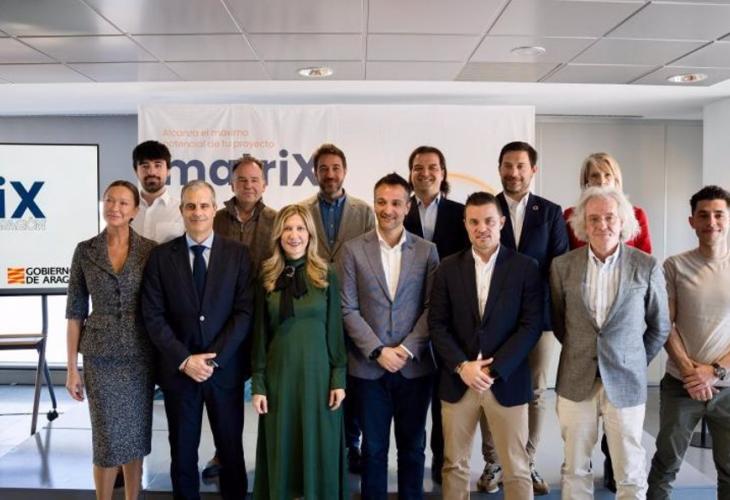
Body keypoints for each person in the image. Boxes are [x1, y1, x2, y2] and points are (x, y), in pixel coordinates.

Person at [550, 186, 670, 500]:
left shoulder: (646, 265)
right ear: (583, 224)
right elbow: (561, 323)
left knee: (629, 471)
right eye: (594, 219)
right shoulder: (562, 267)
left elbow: (660, 326)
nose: (602, 224)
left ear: (623, 221)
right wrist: (584, 350)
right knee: (575, 469)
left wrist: (633, 360)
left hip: (626, 381)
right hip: (576, 379)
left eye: (609, 217)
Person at [142, 180, 253, 500]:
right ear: (181, 210)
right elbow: (153, 315)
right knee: (182, 454)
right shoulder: (161, 257)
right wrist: (185, 359)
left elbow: (244, 312)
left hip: (224, 372)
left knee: (231, 452)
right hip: (180, 373)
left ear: (215, 209)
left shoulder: (238, 255)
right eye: (190, 206)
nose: (198, 212)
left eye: (204, 205)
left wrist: (213, 359)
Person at [429, 191, 542, 500]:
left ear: (502, 222)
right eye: (474, 222)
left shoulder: (525, 267)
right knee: (454, 465)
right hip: (458, 382)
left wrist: (494, 369)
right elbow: (437, 324)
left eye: (489, 221)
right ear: (465, 224)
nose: (482, 228)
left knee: (516, 467)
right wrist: (461, 366)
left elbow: (531, 326)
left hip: (506, 381)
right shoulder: (447, 268)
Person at [340, 173, 439, 499]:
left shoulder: (427, 251)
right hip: (369, 369)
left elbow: (433, 307)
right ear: (374, 204)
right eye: (381, 202)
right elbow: (347, 308)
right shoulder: (353, 250)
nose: (388, 209)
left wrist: (407, 349)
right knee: (373, 449)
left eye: (396, 203)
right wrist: (378, 350)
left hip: (414, 368)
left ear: (408, 207)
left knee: (412, 448)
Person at [479, 141, 568, 495]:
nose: (513, 172)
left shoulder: (550, 212)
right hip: (492, 319)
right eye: (507, 165)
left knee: (535, 392)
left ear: (533, 170)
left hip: (538, 319)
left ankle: (526, 461)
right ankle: (494, 461)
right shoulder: (487, 208)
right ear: (499, 168)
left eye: (520, 166)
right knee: (489, 387)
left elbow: (557, 267)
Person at [563, 152, 653, 491]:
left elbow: (655, 316)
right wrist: (581, 342)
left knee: (627, 463)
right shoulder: (569, 221)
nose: (600, 182)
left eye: (607, 176)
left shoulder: (636, 222)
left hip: (623, 355)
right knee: (575, 463)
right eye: (593, 177)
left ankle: (613, 469)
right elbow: (562, 309)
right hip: (581, 361)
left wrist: (634, 355)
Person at [65, 180, 157, 500]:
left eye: (122, 202)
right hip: (99, 356)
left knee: (135, 436)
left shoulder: (150, 251)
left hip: (140, 355)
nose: (114, 207)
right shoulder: (85, 250)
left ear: (135, 210)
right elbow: (74, 313)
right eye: (109, 200)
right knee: (105, 439)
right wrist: (72, 369)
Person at [251, 204, 348, 499]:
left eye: (300, 228)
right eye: (288, 228)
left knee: (321, 450)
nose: (294, 235)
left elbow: (335, 331)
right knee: (282, 450)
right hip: (280, 380)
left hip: (319, 380)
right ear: (278, 234)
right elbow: (259, 335)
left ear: (310, 234)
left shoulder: (326, 274)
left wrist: (338, 378)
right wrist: (258, 384)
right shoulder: (266, 276)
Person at [647, 185, 730, 499]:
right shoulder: (674, 266)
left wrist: (715, 371)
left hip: (728, 386)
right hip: (680, 385)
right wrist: (689, 372)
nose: (711, 222)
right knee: (665, 464)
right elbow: (664, 324)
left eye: (719, 215)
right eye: (703, 215)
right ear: (691, 221)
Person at [301, 143, 375, 473]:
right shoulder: (302, 210)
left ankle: (352, 444)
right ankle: (325, 444)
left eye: (335, 168)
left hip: (353, 306)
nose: (329, 174)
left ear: (344, 171)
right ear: (314, 172)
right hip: (315, 307)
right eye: (323, 169)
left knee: (354, 380)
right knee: (321, 379)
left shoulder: (364, 212)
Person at [204, 154, 276, 480]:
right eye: (242, 180)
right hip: (225, 322)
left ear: (265, 185)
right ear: (231, 184)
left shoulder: (277, 220)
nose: (248, 185)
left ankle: (273, 457)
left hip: (267, 319)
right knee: (226, 395)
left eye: (254, 180)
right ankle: (224, 454)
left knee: (270, 392)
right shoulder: (215, 220)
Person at [403, 145, 469, 484]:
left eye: (432, 167)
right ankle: (412, 461)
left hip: (450, 318)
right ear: (410, 173)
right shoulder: (399, 210)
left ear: (443, 173)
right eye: (418, 167)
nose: (425, 173)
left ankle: (443, 463)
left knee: (446, 395)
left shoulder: (461, 213)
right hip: (408, 316)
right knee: (414, 395)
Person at [130, 140, 184, 243]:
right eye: (145, 166)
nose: (152, 172)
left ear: (168, 170)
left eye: (158, 165)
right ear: (136, 171)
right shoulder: (125, 209)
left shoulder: (181, 210)